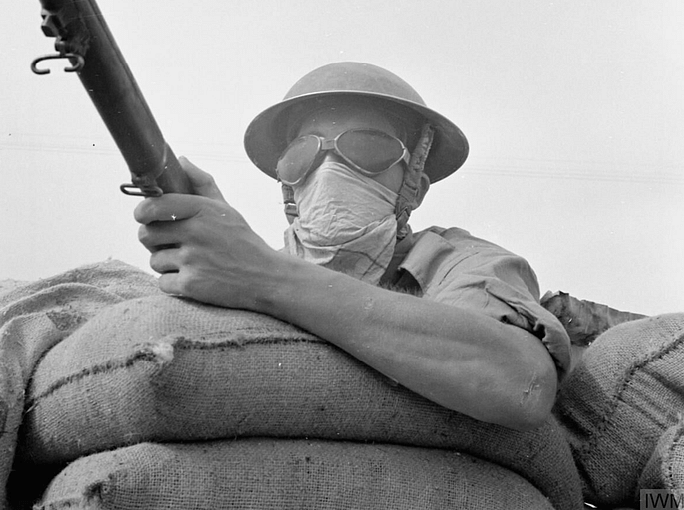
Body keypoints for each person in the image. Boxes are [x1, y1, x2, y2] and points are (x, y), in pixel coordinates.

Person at [134, 62, 571, 432]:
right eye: (303, 153)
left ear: (414, 189)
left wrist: (263, 277)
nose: (329, 168)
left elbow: (520, 383)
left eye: (365, 147)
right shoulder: (234, 274)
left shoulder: (461, 262)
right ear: (288, 180)